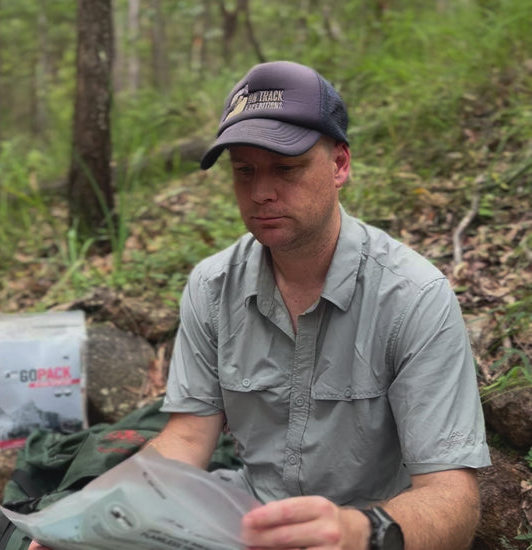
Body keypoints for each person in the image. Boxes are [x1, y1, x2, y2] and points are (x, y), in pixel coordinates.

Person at [30, 60, 491, 550]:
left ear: (339, 165)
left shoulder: (413, 297)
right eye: (244, 172)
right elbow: (187, 440)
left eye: (286, 169)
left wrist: (362, 531)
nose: (261, 193)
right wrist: (84, 521)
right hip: (244, 524)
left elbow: (453, 496)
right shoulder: (212, 286)